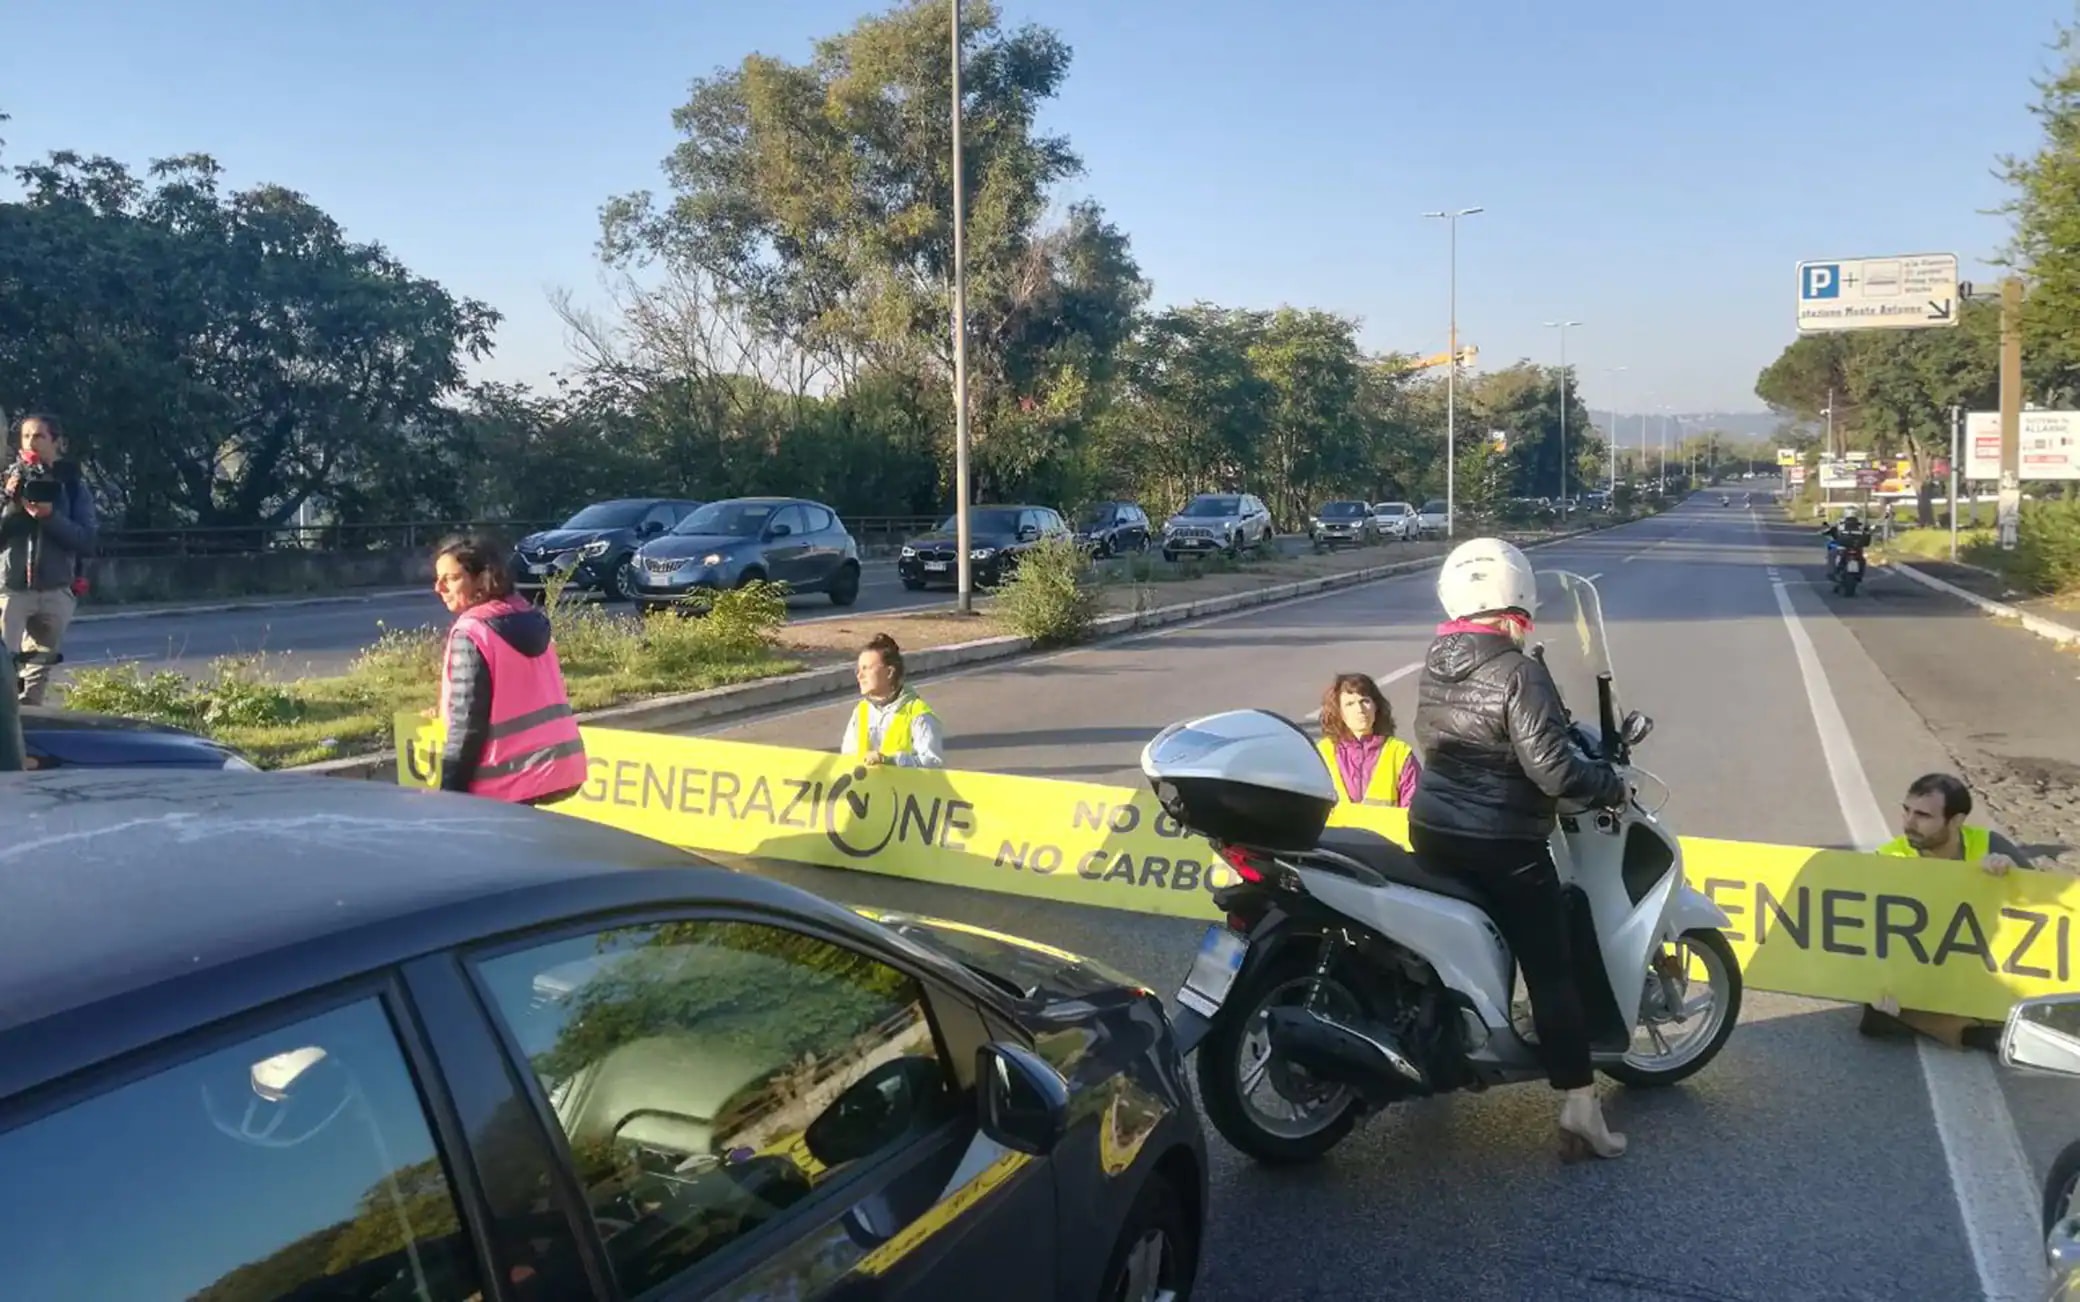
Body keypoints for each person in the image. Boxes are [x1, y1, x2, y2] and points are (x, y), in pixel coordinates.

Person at [1406, 537, 1632, 1161]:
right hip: (1501, 842)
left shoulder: (1437, 656)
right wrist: (1610, 784)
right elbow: (1555, 772)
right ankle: (1581, 1106)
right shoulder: (1518, 669)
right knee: (1552, 967)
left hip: (1433, 829)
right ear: (1518, 601)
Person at [1861, 773, 2033, 1048]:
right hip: (1922, 965)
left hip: (1979, 959)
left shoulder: (1988, 845)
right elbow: (1869, 932)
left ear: (1956, 820)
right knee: (1882, 1006)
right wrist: (1879, 982)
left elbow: (2043, 911)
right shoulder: (1888, 859)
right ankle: (1972, 1032)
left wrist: (2010, 875)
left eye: (1923, 816)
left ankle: (1927, 1021)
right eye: (1907, 810)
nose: (1909, 823)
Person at [432, 535, 587, 805]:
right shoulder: (529, 616)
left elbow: (467, 726)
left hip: (505, 779)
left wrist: (449, 795)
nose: (439, 588)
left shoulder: (473, 632)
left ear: (482, 579)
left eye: (451, 578)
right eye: (438, 578)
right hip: (559, 766)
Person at [1, 414, 98, 705]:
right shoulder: (5, 481)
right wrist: (9, 503)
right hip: (11, 589)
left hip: (56, 589)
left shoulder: (72, 487)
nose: (31, 443)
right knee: (4, 665)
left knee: (39, 670)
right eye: (26, 437)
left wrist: (49, 517)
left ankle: (29, 729)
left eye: (39, 436)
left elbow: (86, 540)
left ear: (57, 443)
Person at [1316, 671, 1420, 807]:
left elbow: (1415, 810)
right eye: (1350, 704)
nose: (1360, 709)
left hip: (1386, 829)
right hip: (1336, 829)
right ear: (1338, 711)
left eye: (1365, 701)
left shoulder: (1399, 754)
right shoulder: (1322, 753)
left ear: (1376, 706)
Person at [842, 633, 942, 768]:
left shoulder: (918, 713)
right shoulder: (860, 711)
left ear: (889, 672)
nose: (860, 676)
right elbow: (847, 758)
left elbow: (932, 763)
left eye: (866, 668)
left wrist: (891, 761)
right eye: (858, 670)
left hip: (905, 789)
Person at [1819, 505, 1871, 580]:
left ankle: (1832, 573)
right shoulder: (1862, 523)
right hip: (1856, 546)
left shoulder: (1841, 522)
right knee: (1862, 559)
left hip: (1844, 547)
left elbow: (1832, 530)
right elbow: (1868, 532)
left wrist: (1826, 532)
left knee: (1832, 554)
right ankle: (1859, 575)